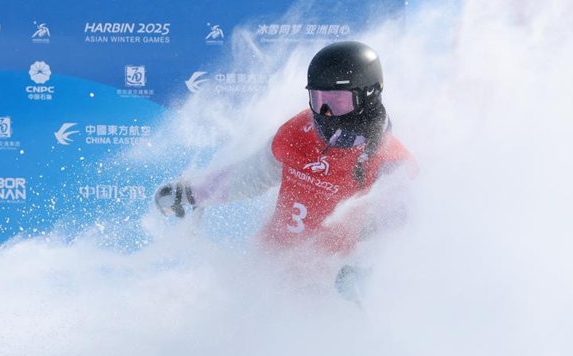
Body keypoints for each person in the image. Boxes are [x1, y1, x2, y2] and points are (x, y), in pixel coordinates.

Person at [155, 41, 417, 294]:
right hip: (269, 273)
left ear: (368, 97)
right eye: (318, 99)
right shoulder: (299, 132)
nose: (324, 113)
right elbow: (251, 175)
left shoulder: (391, 164)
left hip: (331, 292)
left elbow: (398, 240)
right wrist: (191, 192)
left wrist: (367, 274)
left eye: (337, 102)